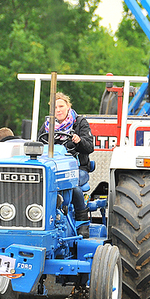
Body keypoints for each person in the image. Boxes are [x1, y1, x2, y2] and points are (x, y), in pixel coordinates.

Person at [40, 92, 94, 237]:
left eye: (61, 106)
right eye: (55, 107)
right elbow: (39, 144)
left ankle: (82, 221)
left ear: (68, 106)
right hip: (54, 170)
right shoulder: (47, 126)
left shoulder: (80, 123)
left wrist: (79, 141)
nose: (58, 110)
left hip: (77, 168)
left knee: (73, 186)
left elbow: (89, 147)